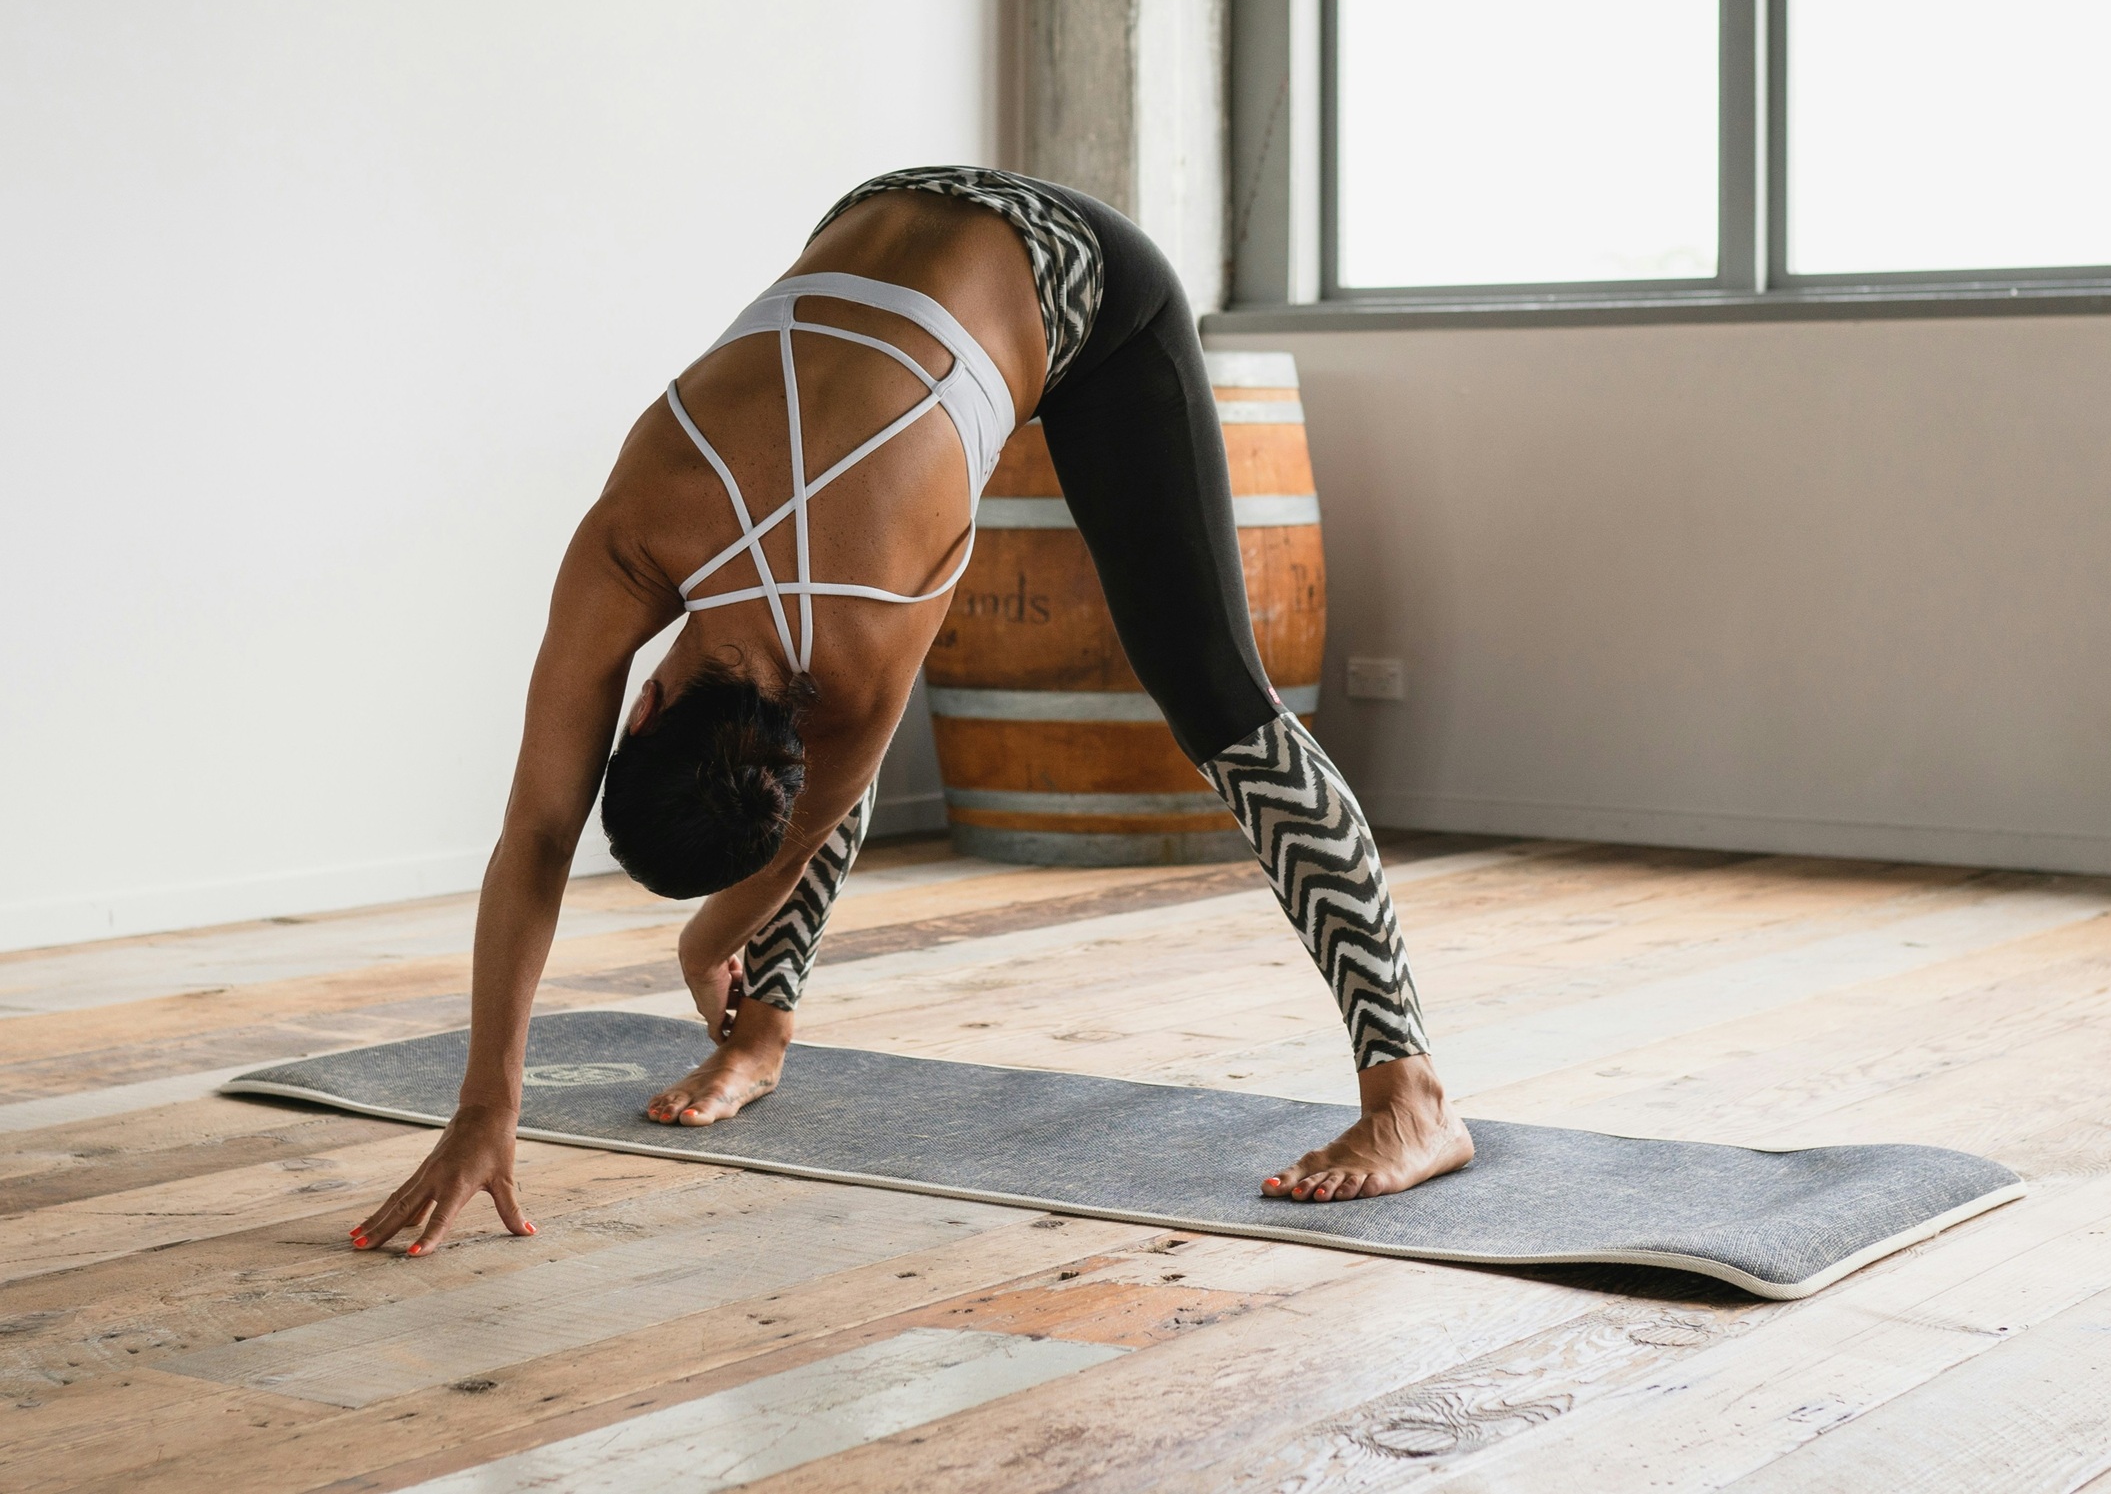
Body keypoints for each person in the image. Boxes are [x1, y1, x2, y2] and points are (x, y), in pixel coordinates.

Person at [352, 168, 1474, 1256]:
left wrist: (705, 943)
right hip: (891, 208)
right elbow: (556, 832)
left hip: (1088, 283)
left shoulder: (869, 621)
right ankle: (762, 1039)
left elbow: (751, 825)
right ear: (642, 711)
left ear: (638, 703)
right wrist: (483, 1107)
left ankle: (1412, 1092)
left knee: (1222, 704)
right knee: (855, 750)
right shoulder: (635, 536)